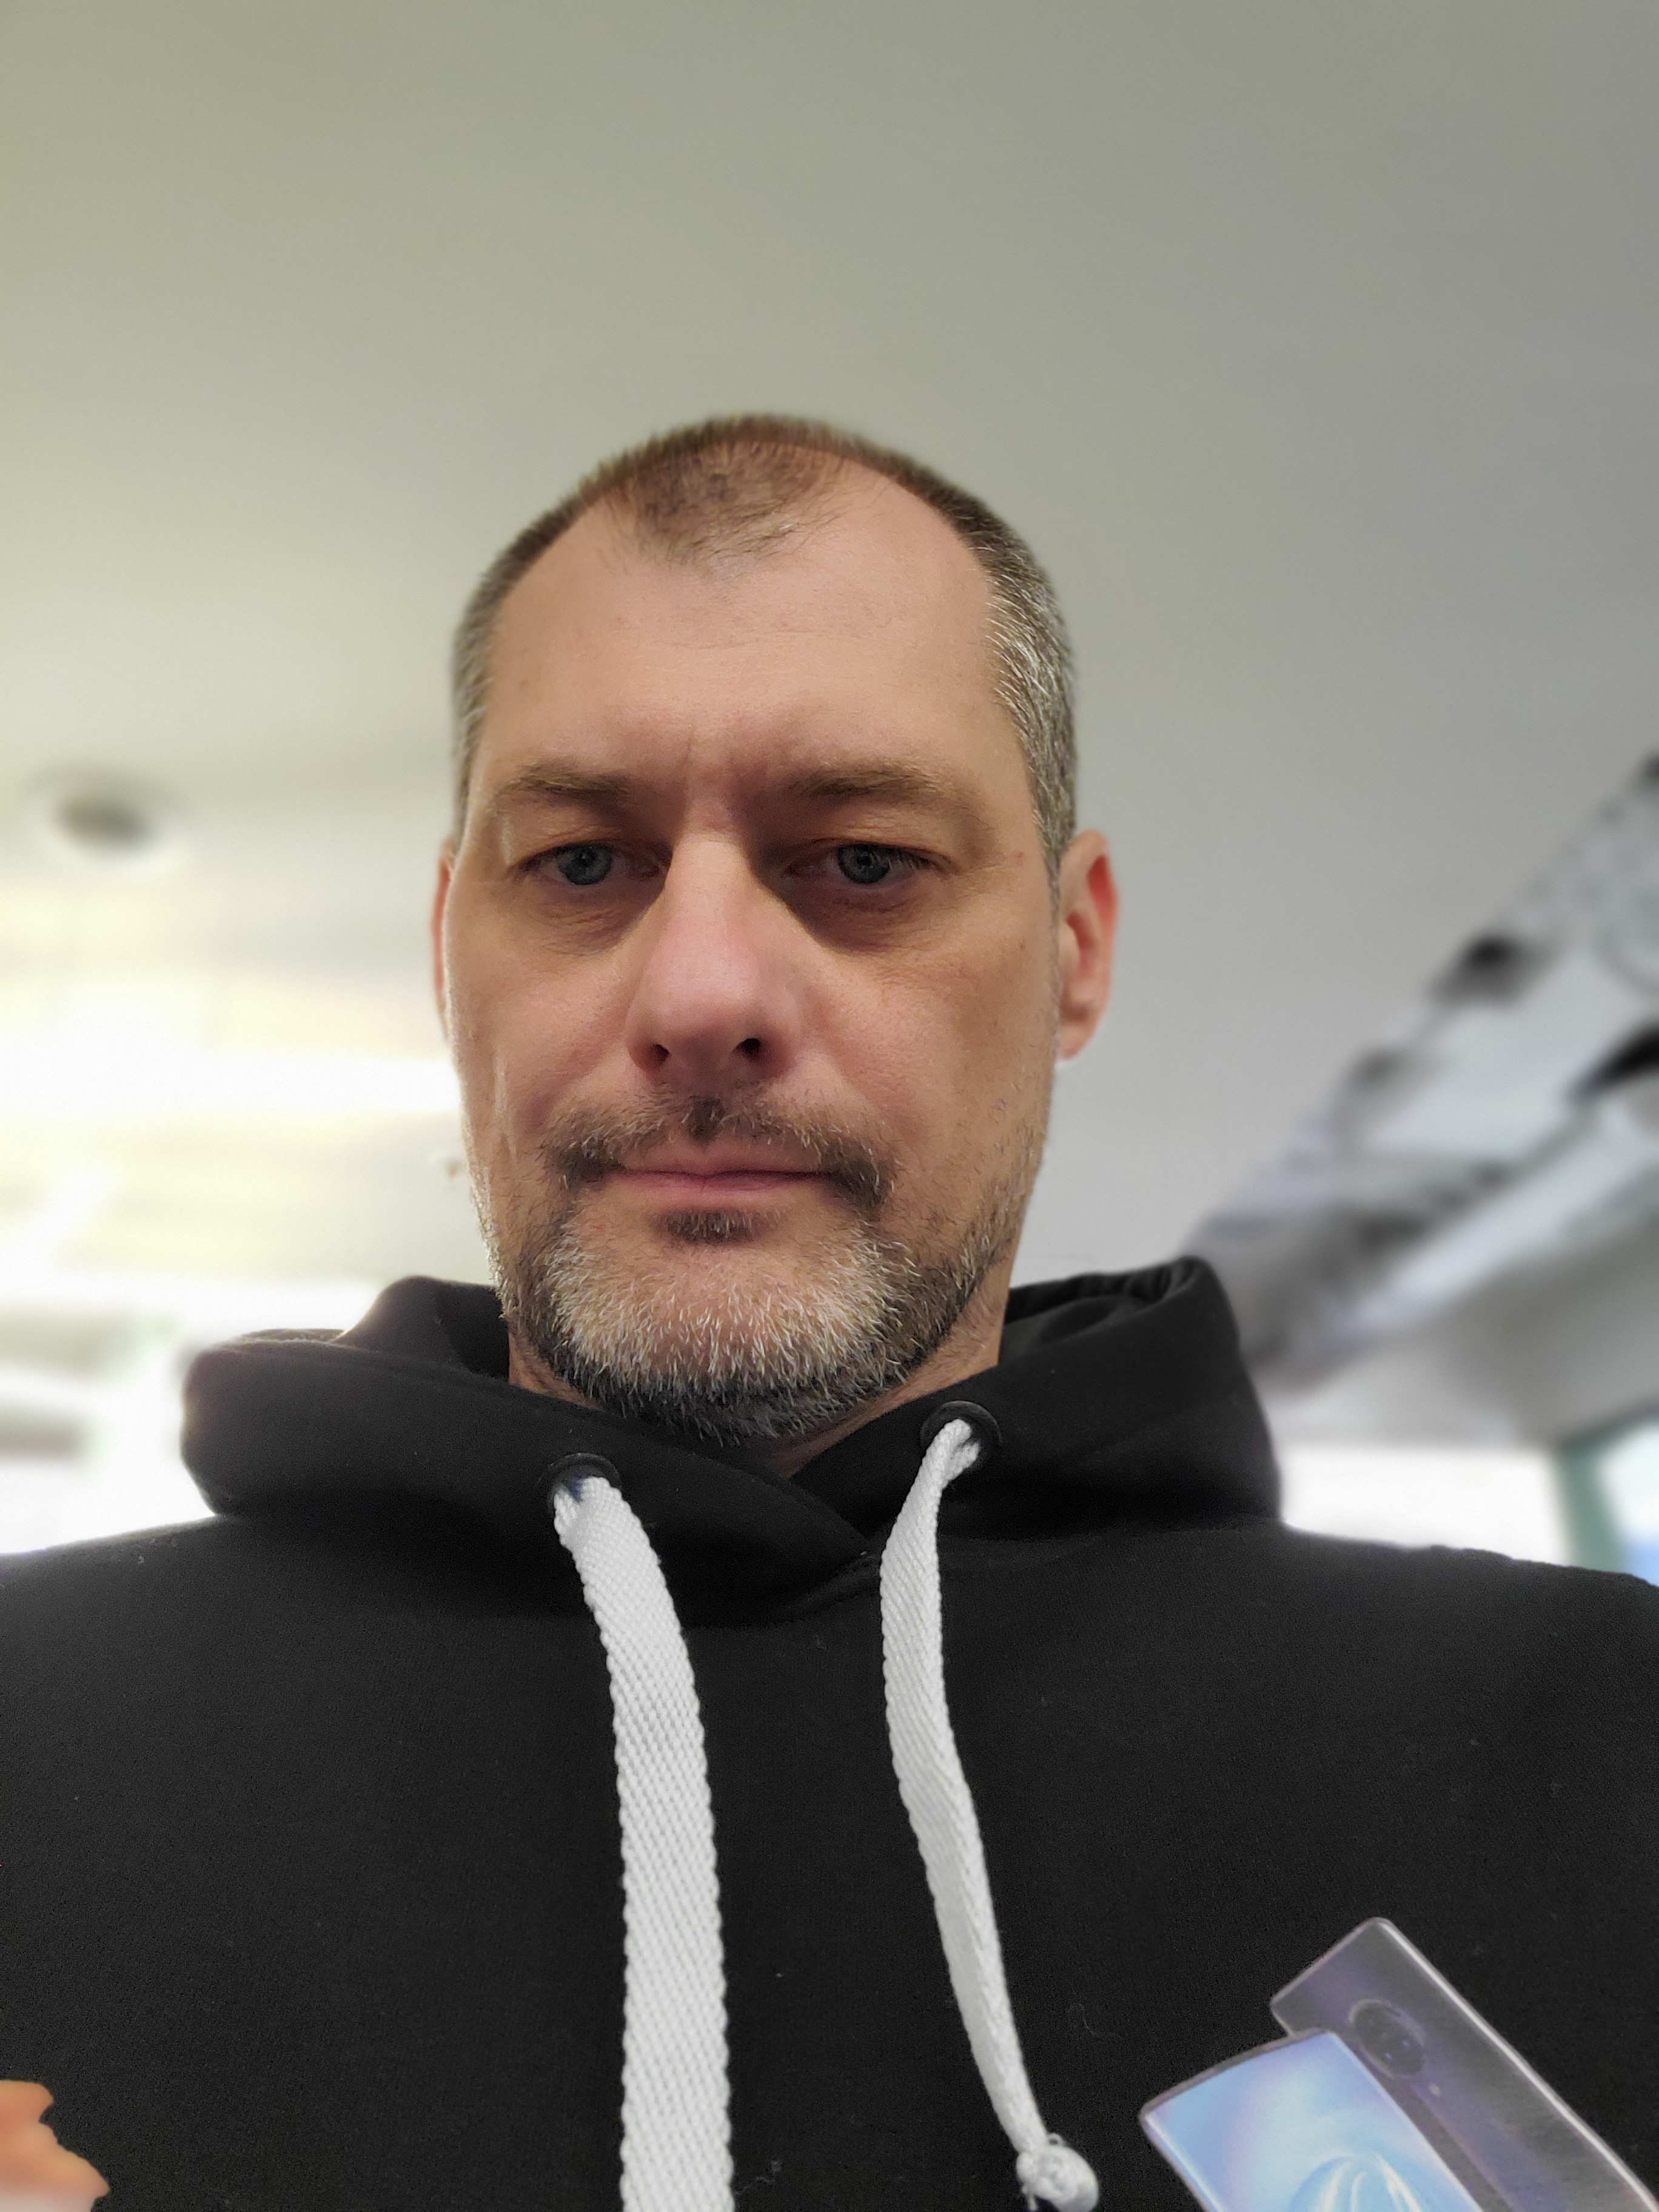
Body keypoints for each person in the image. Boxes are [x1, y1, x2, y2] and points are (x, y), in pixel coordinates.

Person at [2, 418, 1655, 2212]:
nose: (702, 993)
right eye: (582, 864)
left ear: (1076, 949)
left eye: (862, 859)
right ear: (447, 946)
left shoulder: (1599, 1741)